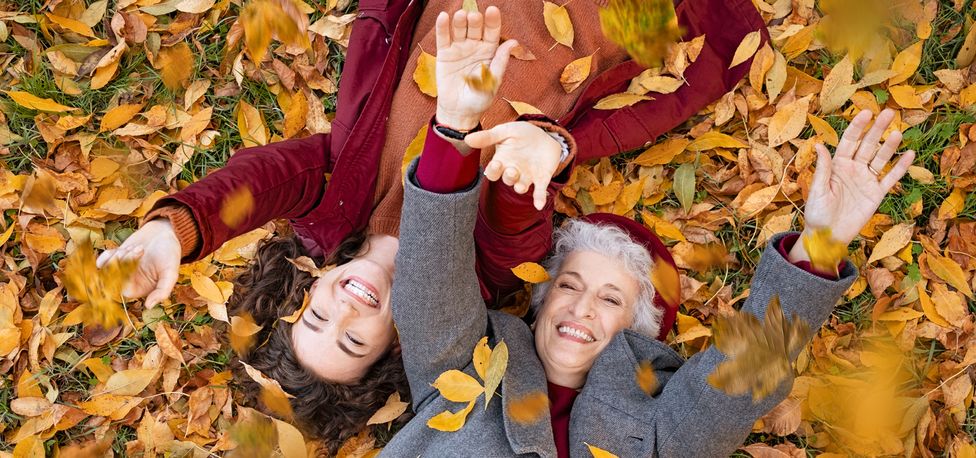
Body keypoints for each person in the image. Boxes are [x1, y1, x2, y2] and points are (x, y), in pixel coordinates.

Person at [96, 0, 761, 448]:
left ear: (305, 291)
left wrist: (174, 231)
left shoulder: (331, 210)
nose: (345, 313)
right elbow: (517, 215)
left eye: (316, 319)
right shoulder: (481, 271)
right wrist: (536, 149)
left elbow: (264, 178)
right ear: (393, 347)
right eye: (354, 343)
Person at [384, 94, 914, 458]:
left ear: (633, 333)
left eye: (611, 299)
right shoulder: (465, 364)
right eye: (569, 286)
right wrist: (453, 127)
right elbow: (429, 282)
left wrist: (822, 242)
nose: (581, 308)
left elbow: (743, 380)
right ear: (542, 302)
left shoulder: (659, 429)